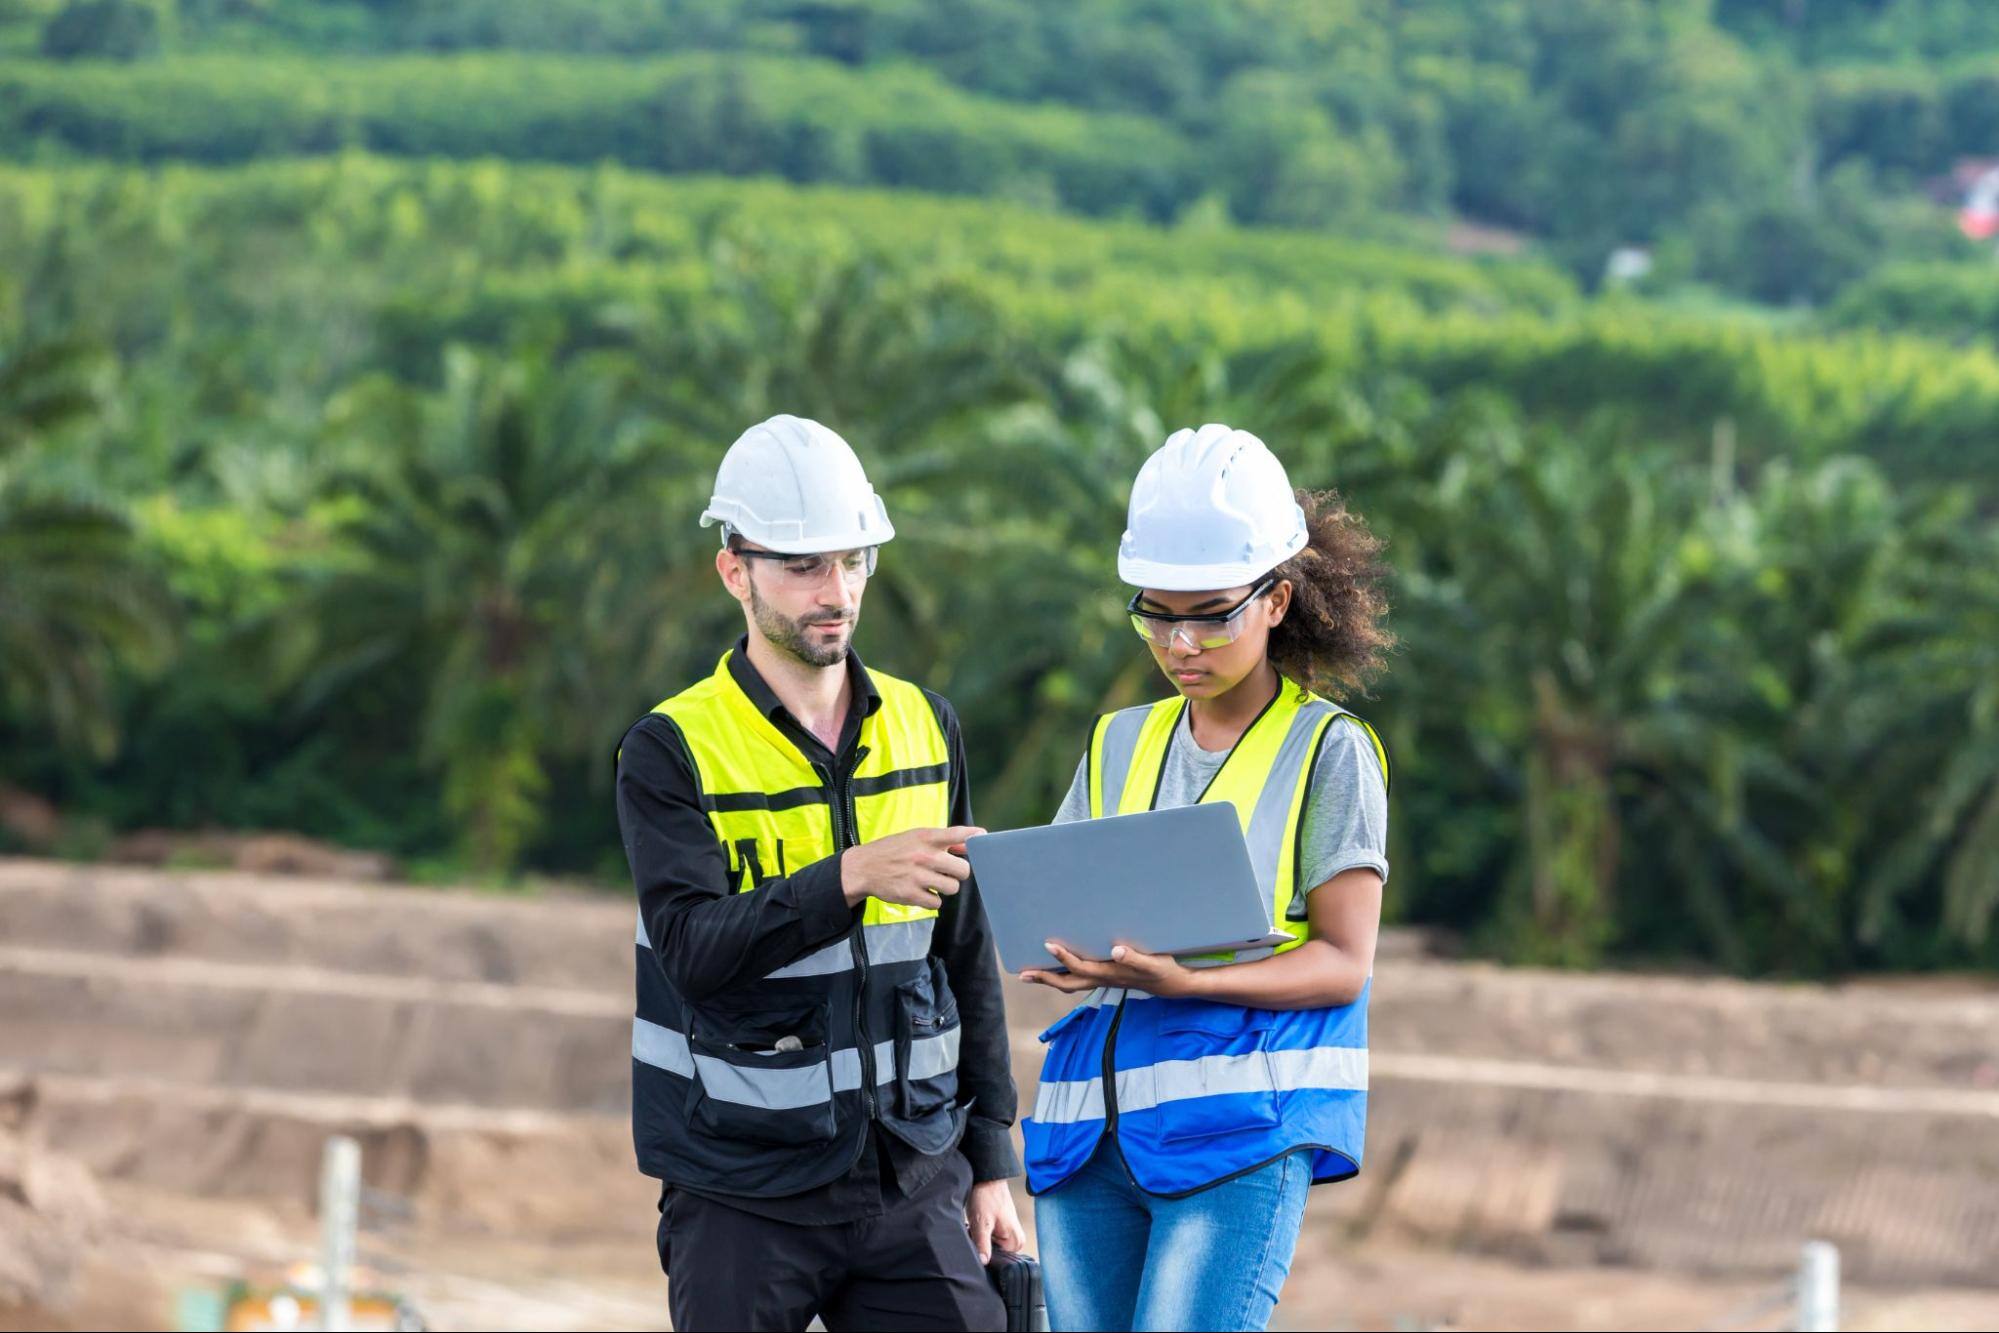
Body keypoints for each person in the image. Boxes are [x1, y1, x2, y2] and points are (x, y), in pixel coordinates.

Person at [616, 414, 1024, 1332]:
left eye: (851, 562)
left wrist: (991, 1156)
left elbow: (963, 953)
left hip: (911, 1171)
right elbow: (691, 950)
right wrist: (845, 876)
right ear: (735, 570)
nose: (833, 591)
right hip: (740, 1188)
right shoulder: (670, 747)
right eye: (803, 566)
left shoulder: (927, 725)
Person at [1019, 424, 1393, 1333]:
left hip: (1236, 1137)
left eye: (1210, 613)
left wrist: (1190, 981)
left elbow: (1345, 961)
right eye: (1157, 613)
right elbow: (1060, 903)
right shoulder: (1117, 740)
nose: (1181, 642)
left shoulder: (1326, 752)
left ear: (1277, 598)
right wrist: (1063, 952)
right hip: (1085, 1136)